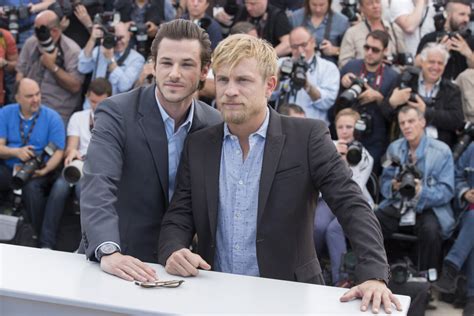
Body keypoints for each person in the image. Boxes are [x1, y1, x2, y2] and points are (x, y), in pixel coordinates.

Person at [159, 34, 402, 314]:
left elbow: (352, 204)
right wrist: (173, 249)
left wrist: (373, 275)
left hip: (290, 297)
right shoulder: (199, 144)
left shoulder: (307, 136)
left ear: (270, 85)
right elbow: (179, 215)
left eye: (243, 80)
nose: (229, 91)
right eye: (223, 79)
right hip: (215, 294)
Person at [80, 19, 222, 282]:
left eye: (187, 64)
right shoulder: (116, 112)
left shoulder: (215, 124)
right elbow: (98, 184)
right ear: (153, 66)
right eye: (166, 63)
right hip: (118, 263)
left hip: (184, 268)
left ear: (204, 71)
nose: (174, 73)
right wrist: (109, 250)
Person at [375, 105, 455, 272]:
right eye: (402, 123)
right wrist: (393, 186)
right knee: (372, 222)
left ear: (422, 122)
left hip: (428, 206)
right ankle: (377, 272)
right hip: (399, 203)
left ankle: (427, 280)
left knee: (431, 231)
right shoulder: (394, 148)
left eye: (411, 121)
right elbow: (384, 183)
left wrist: (421, 191)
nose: (406, 126)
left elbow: (447, 191)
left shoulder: (442, 150)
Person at [39, 78, 112, 250]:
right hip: (77, 167)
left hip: (99, 170)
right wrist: (72, 152)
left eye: (100, 102)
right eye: (92, 101)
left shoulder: (114, 120)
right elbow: (71, 146)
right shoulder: (78, 117)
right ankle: (46, 243)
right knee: (58, 189)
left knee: (83, 192)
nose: (95, 106)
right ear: (87, 97)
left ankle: (85, 246)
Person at [315, 108, 374, 286]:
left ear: (357, 128)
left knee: (334, 229)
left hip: (354, 200)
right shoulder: (326, 146)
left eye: (349, 126)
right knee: (317, 226)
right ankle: (312, 270)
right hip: (326, 198)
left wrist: (343, 163)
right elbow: (317, 181)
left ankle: (340, 280)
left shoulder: (364, 155)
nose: (345, 131)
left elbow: (354, 187)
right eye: (341, 127)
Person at [0, 78, 65, 235]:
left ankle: (37, 235)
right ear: (17, 98)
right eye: (29, 96)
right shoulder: (5, 113)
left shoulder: (52, 117)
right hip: (10, 166)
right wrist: (15, 152)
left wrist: (44, 170)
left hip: (39, 170)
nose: (35, 99)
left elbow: (59, 152)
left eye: (38, 94)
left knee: (32, 189)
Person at [338, 30, 399, 173]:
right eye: (367, 47)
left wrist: (379, 99)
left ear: (385, 51)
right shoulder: (350, 67)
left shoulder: (392, 76)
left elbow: (392, 116)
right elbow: (336, 106)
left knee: (369, 180)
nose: (369, 52)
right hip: (348, 133)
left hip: (375, 138)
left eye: (375, 50)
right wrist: (342, 84)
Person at [387, 43, 464, 148]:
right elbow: (384, 112)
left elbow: (457, 120)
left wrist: (426, 111)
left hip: (437, 148)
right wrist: (392, 103)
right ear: (422, 62)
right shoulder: (406, 80)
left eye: (440, 63)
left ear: (445, 66)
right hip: (405, 145)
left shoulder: (452, 90)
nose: (435, 67)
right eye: (431, 62)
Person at [16, 10, 84, 123]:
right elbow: (20, 71)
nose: (36, 34)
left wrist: (52, 66)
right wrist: (19, 95)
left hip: (58, 111)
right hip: (28, 107)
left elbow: (75, 87)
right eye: (35, 29)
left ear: (55, 31)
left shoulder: (72, 51)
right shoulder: (31, 43)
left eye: (40, 31)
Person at [433, 142, 474, 316]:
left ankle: (451, 267)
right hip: (468, 212)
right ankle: (472, 298)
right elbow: (456, 176)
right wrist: (465, 192)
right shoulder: (473, 148)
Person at [276, 26, 339, 126]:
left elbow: (327, 102)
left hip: (313, 130)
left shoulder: (328, 68)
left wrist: (307, 86)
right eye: (295, 47)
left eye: (304, 45)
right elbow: (268, 96)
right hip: (284, 127)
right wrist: (278, 77)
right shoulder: (281, 64)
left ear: (313, 42)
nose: (300, 50)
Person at [78, 22, 145, 95]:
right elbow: (82, 68)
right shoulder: (100, 51)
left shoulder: (137, 59)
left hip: (114, 103)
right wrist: (92, 40)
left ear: (129, 36)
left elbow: (124, 86)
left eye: (121, 38)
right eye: (115, 38)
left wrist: (110, 60)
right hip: (93, 103)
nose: (118, 42)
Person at [416, 0, 474, 80]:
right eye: (462, 14)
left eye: (468, 15)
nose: (466, 19)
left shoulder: (471, 39)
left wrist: (469, 54)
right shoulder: (431, 38)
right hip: (439, 86)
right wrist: (438, 50)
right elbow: (416, 64)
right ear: (447, 14)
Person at [339, 0, 407, 68]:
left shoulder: (394, 29)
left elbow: (404, 59)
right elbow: (344, 63)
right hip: (363, 75)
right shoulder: (352, 33)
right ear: (362, 8)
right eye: (369, 3)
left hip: (391, 75)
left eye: (377, 2)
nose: (375, 6)